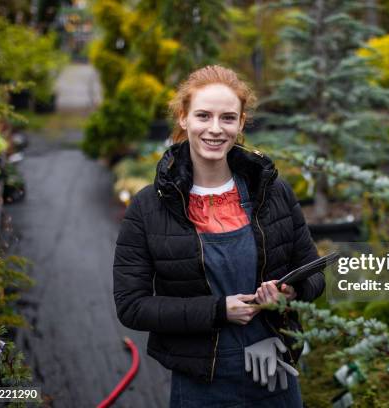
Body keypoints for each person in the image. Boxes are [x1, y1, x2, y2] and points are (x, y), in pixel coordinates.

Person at [113, 65, 324, 407]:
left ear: (241, 124)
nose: (215, 129)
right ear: (183, 119)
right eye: (203, 116)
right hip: (203, 382)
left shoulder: (271, 193)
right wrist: (217, 310)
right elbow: (132, 306)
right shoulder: (149, 207)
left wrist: (289, 292)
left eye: (227, 118)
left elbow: (314, 272)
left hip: (273, 366)